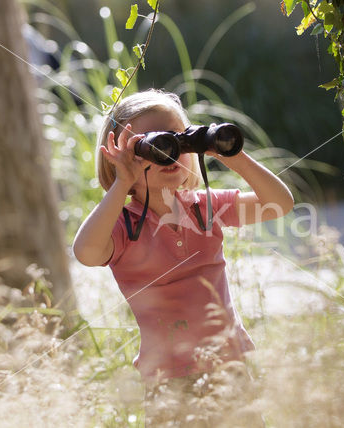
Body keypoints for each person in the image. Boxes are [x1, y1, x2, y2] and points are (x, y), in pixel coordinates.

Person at [73, 89, 293, 426]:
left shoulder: (204, 206)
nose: (170, 154)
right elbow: (86, 252)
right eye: (154, 145)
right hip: (168, 381)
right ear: (120, 157)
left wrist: (230, 155)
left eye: (180, 141)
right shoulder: (123, 225)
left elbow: (279, 202)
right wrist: (121, 184)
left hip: (229, 367)